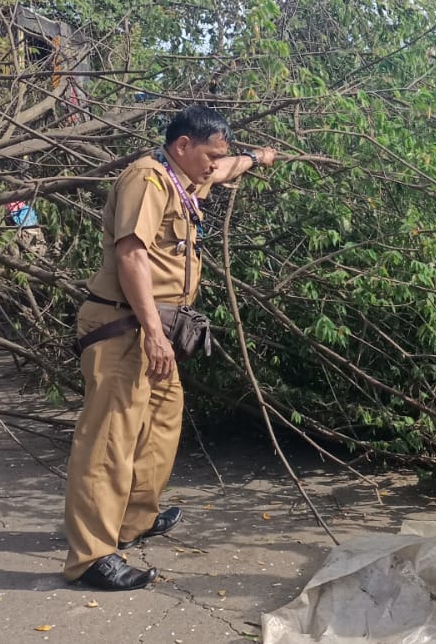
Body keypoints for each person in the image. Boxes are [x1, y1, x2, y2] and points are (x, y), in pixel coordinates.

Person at [63, 105, 277, 591]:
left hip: (154, 328)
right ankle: (91, 557)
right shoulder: (148, 180)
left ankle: (133, 521)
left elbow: (225, 168)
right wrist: (154, 333)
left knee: (161, 425)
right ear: (182, 145)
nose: (213, 165)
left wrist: (259, 158)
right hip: (125, 325)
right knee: (110, 439)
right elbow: (131, 255)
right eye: (208, 155)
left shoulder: (186, 177)